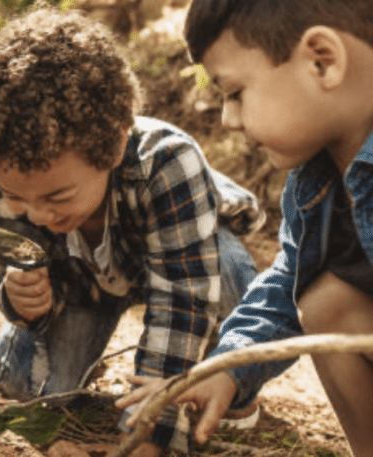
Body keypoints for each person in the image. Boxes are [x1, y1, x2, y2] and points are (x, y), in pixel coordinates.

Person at [0, 9, 266, 456]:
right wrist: (24, 303)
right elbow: (22, 296)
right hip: (86, 287)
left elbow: (183, 299)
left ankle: (232, 386)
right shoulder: (13, 192)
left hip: (181, 262)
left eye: (58, 197)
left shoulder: (168, 163)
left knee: (230, 273)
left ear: (115, 145)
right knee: (31, 382)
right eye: (19, 197)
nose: (37, 215)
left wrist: (147, 436)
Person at [118, 1, 373, 456]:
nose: (227, 119)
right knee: (326, 302)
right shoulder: (313, 184)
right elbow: (286, 284)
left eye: (234, 93)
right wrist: (226, 370)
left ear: (323, 60)